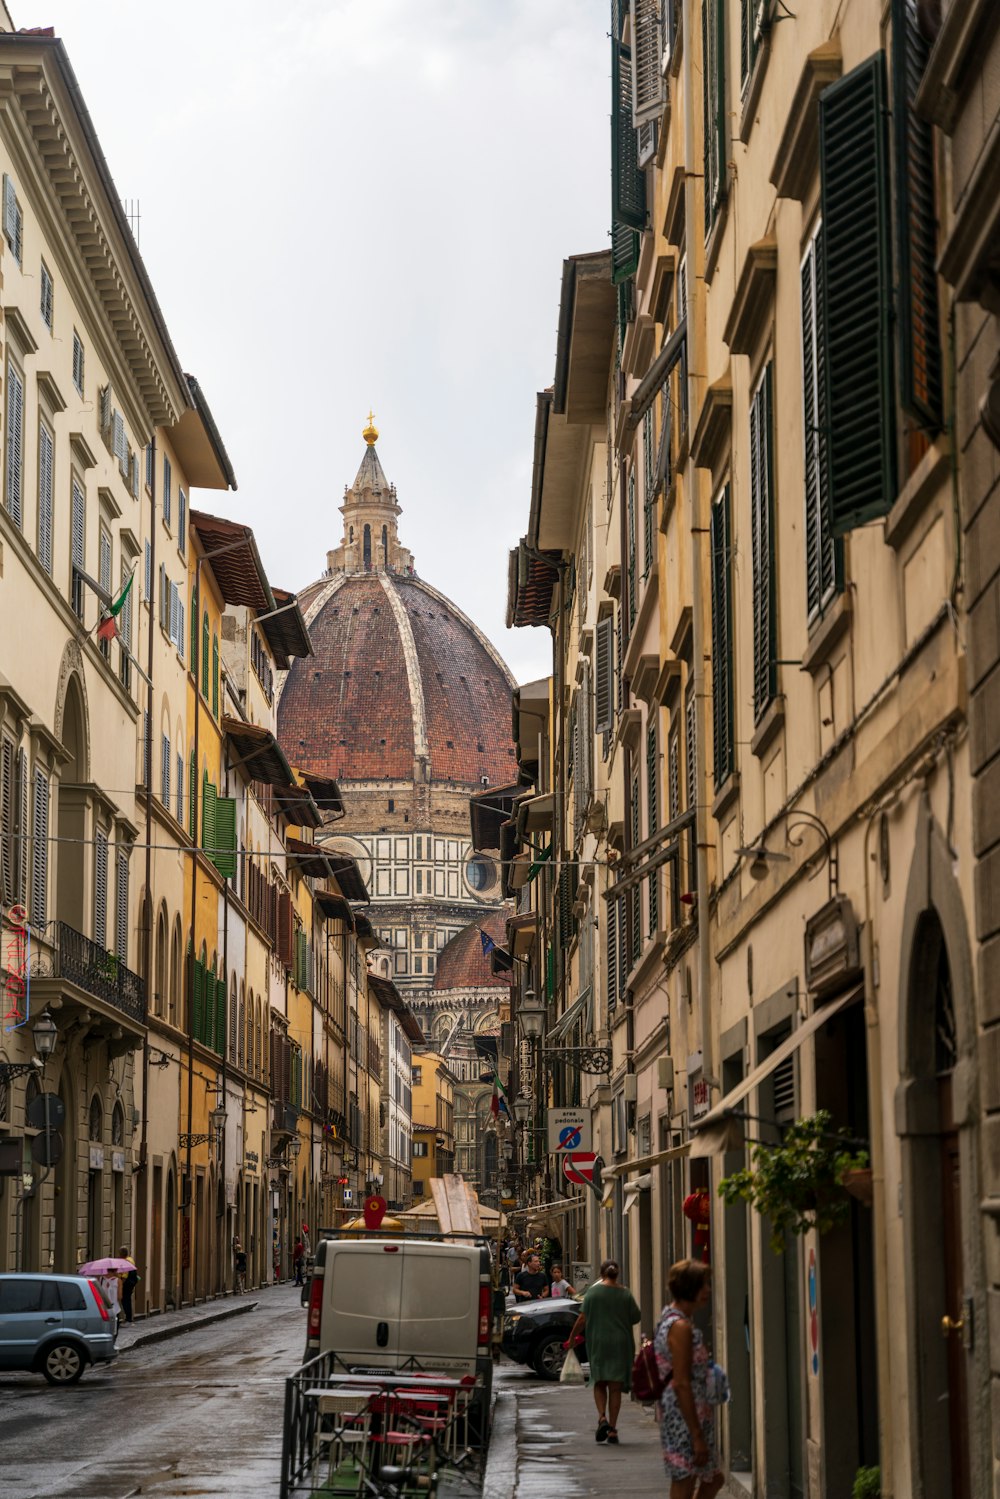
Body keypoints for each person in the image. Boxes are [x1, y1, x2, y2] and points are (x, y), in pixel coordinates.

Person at [653, 1258, 725, 1498]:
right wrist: (696, 1434)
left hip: (690, 1413)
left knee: (712, 1478)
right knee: (685, 1480)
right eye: (703, 1284)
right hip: (684, 1416)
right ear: (689, 1288)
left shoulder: (674, 1320)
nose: (708, 1290)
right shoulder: (680, 1327)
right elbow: (681, 1382)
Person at [566, 1258, 640, 1445]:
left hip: (599, 1342)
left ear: (601, 1273)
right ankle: (613, 1430)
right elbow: (635, 1317)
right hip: (621, 1344)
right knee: (615, 1387)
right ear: (617, 1273)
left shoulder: (593, 1293)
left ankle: (602, 1418)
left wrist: (572, 1338)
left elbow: (582, 1319)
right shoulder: (625, 1294)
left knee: (599, 1382)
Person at [117, 1246, 138, 1324]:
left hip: (126, 1284)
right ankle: (129, 1317)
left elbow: (125, 1276)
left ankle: (128, 1318)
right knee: (127, 1300)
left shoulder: (126, 1261)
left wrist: (120, 1285)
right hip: (131, 1283)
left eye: (119, 1254)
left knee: (125, 1300)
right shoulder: (130, 1259)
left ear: (122, 1254)